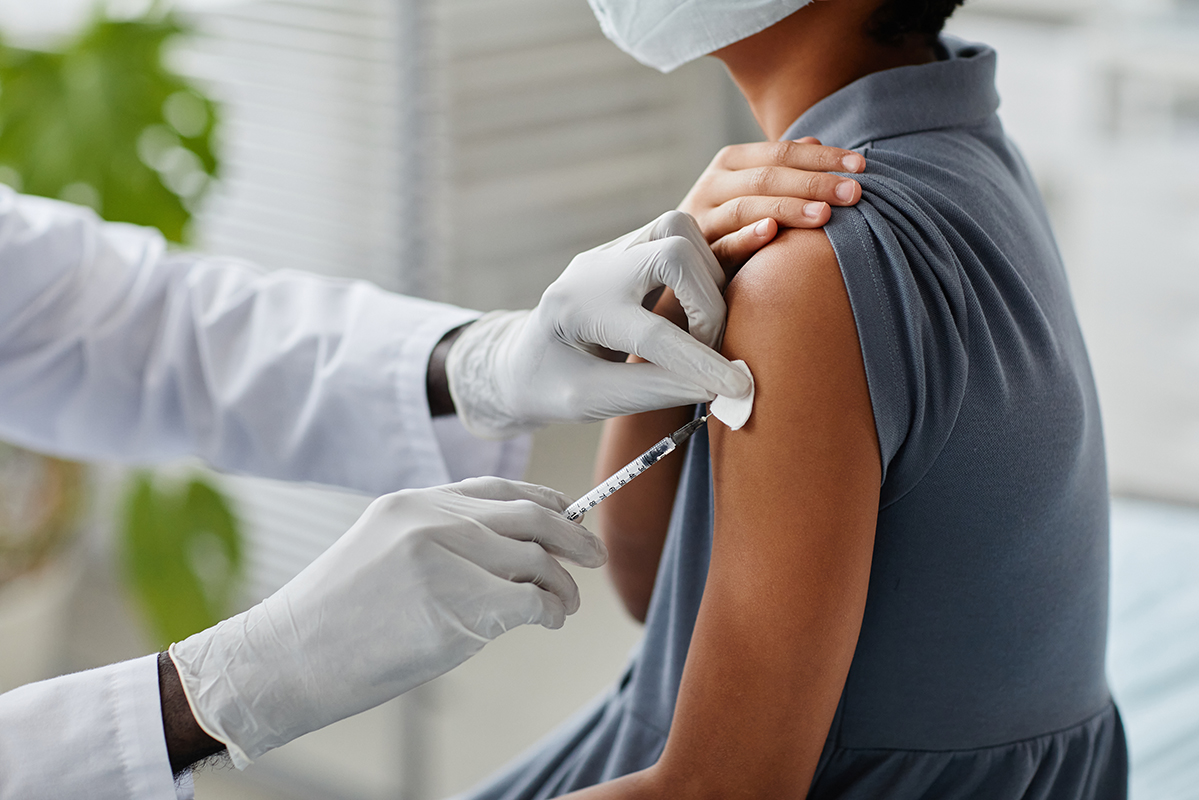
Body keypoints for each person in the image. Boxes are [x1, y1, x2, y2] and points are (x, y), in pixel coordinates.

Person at [0, 122, 865, 799]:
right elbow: (657, 591)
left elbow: (134, 325)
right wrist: (203, 698)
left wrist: (482, 362)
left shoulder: (816, 275)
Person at [452, 1, 1127, 799]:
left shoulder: (813, 269)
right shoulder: (958, 139)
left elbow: (722, 788)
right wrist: (662, 310)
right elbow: (652, 583)